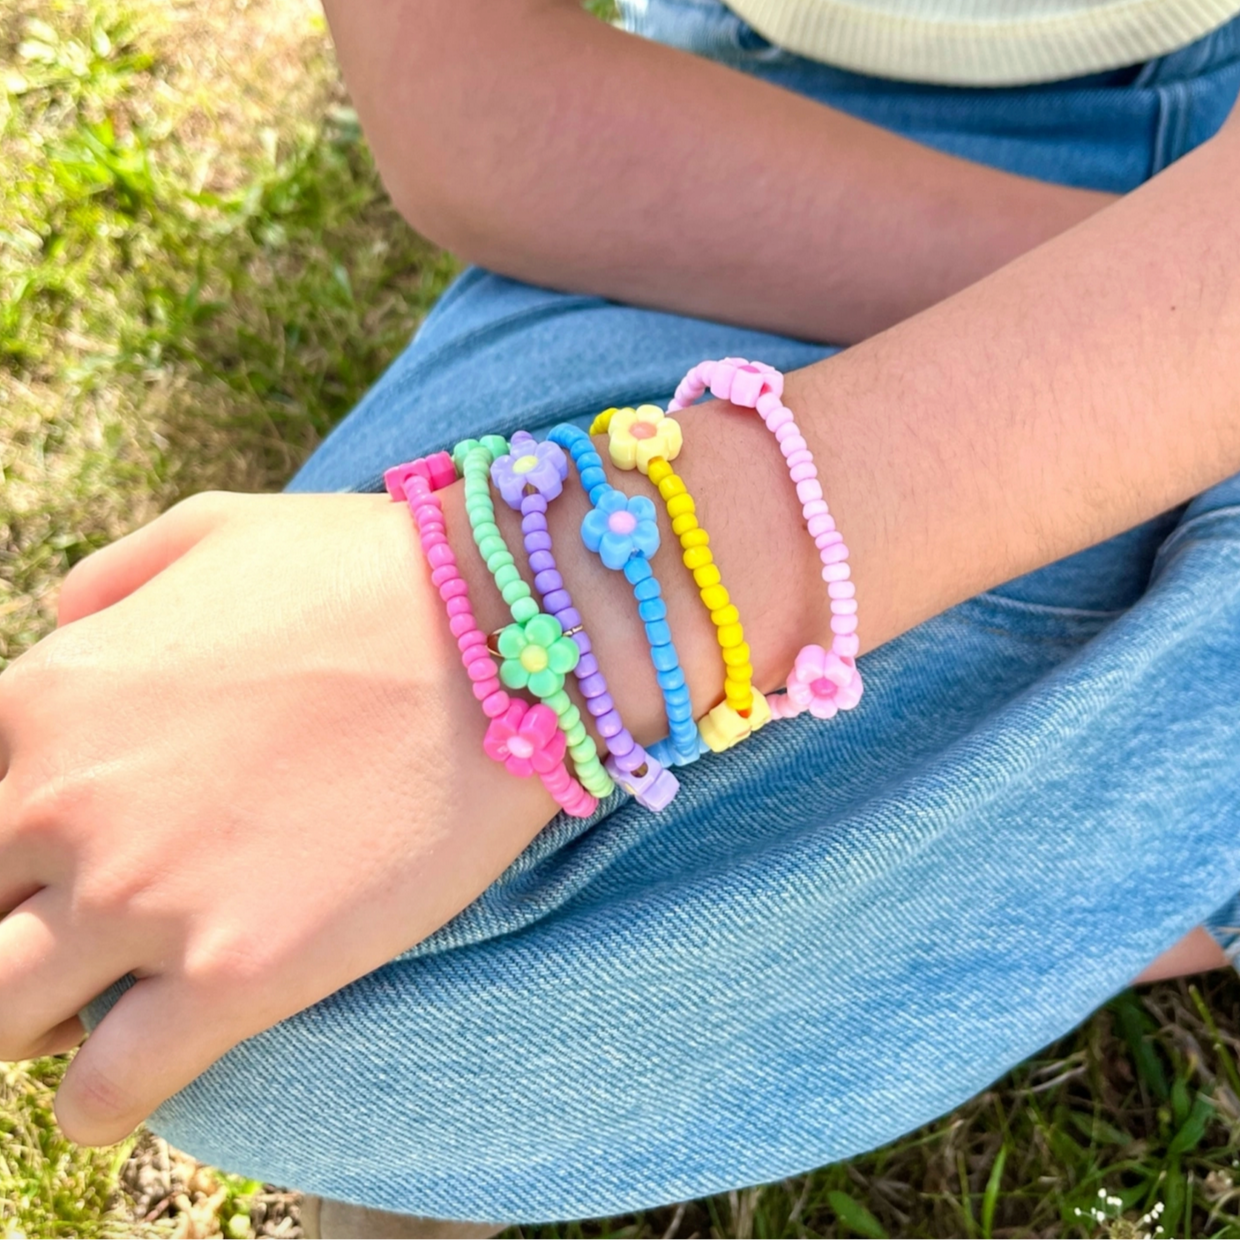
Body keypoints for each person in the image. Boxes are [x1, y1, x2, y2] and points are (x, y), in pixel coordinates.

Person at [2, 0, 1240, 1235]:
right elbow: (475, 93)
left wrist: (542, 594)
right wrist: (1130, 300)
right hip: (801, 147)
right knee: (289, 1013)